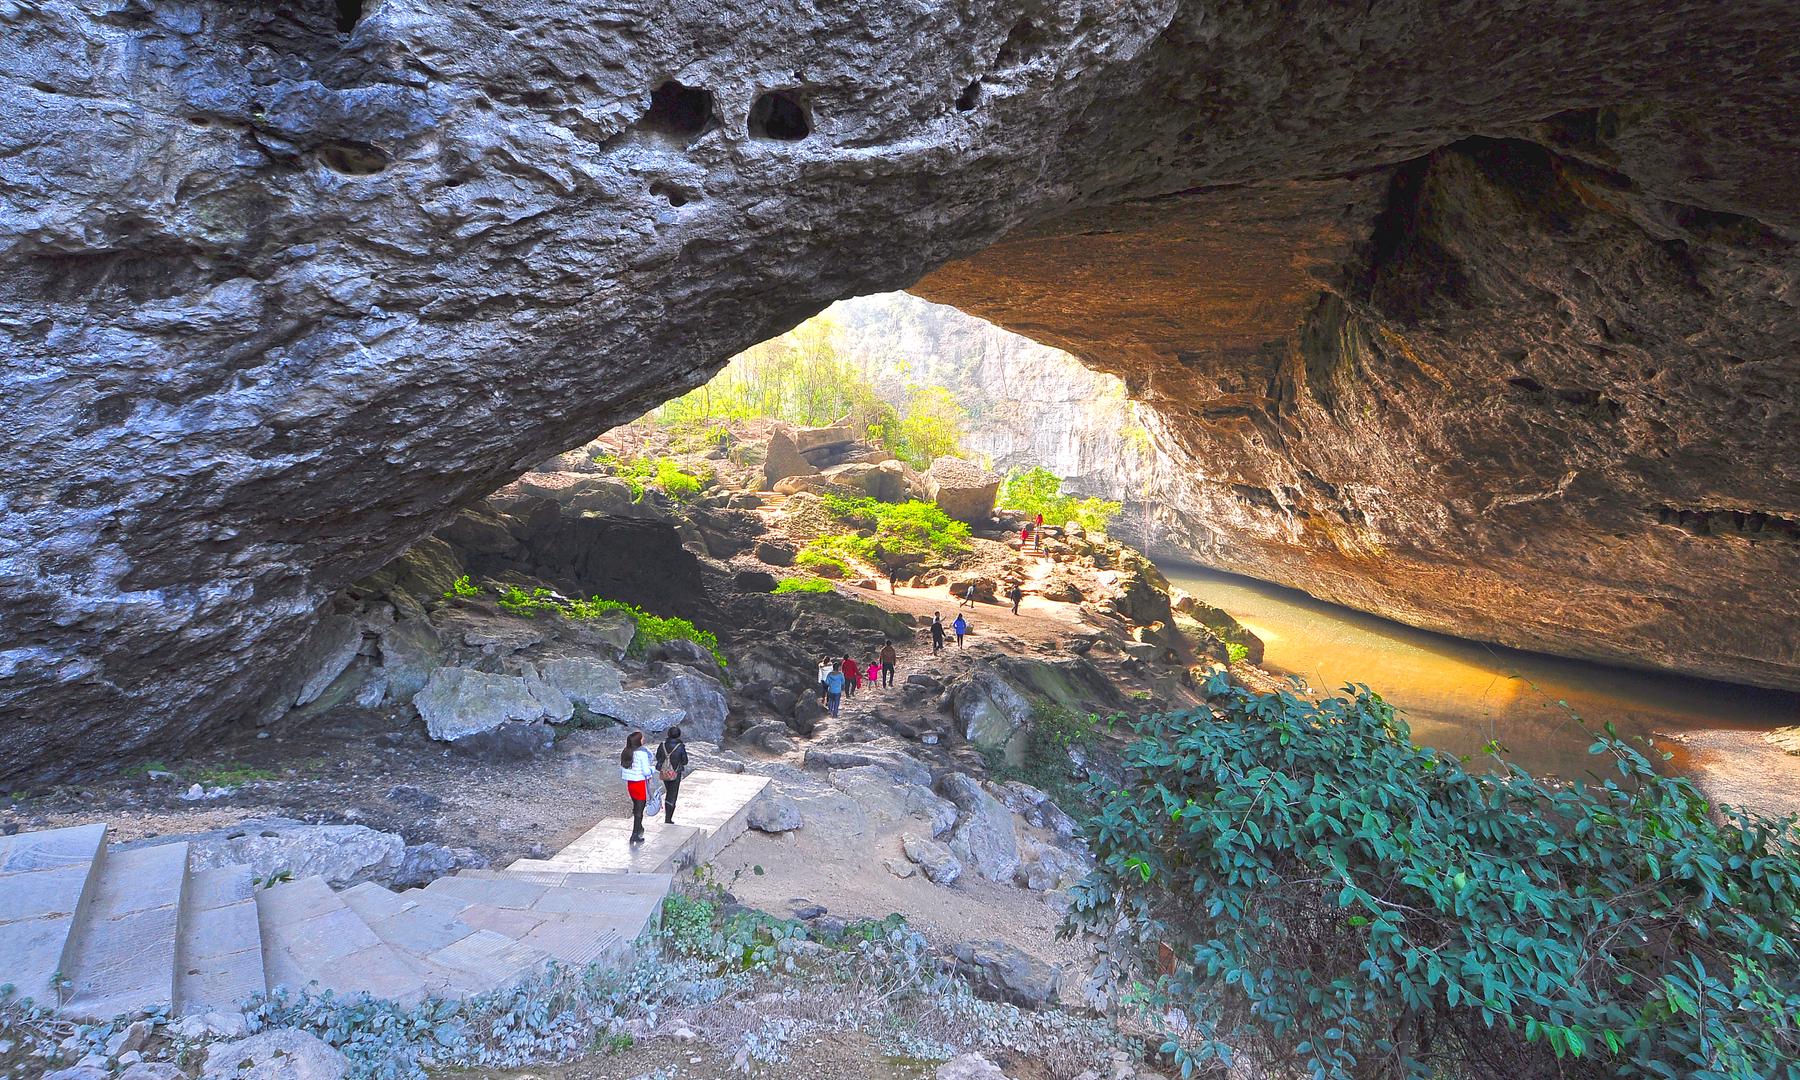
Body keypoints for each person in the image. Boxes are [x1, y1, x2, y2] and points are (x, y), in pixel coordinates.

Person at [619, 730, 655, 844]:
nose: (644, 739)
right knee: (640, 809)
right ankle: (635, 834)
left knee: (636, 806)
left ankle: (639, 828)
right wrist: (653, 769)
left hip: (631, 783)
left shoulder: (626, 751)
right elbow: (645, 771)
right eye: (642, 738)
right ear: (639, 741)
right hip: (640, 783)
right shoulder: (641, 754)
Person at [654, 726, 689, 824]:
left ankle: (668, 816)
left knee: (669, 792)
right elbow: (685, 761)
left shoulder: (662, 746)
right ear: (678, 735)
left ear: (668, 734)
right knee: (672, 795)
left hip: (665, 772)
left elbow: (658, 757)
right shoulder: (680, 747)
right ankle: (668, 818)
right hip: (675, 773)